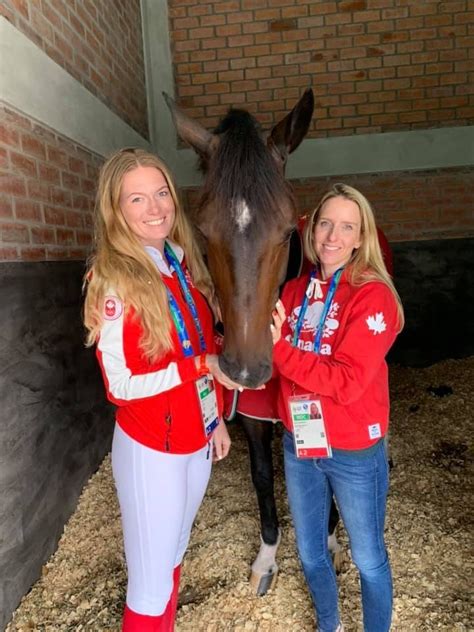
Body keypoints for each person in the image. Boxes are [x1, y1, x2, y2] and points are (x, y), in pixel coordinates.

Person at [83, 148, 240, 632]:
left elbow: (195, 340)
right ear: (116, 210)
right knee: (149, 587)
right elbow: (121, 385)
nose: (156, 208)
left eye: (162, 193)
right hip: (152, 446)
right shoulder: (113, 279)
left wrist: (213, 420)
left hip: (194, 440)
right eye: (137, 199)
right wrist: (200, 365)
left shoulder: (176, 260)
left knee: (173, 553)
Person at [270, 183, 404, 632]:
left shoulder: (373, 296)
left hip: (353, 450)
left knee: (368, 557)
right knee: (310, 551)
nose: (333, 235)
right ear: (311, 231)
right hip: (300, 443)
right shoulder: (292, 292)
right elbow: (266, 359)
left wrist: (279, 351)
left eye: (347, 226)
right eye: (325, 223)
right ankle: (330, 625)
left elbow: (346, 381)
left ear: (362, 237)